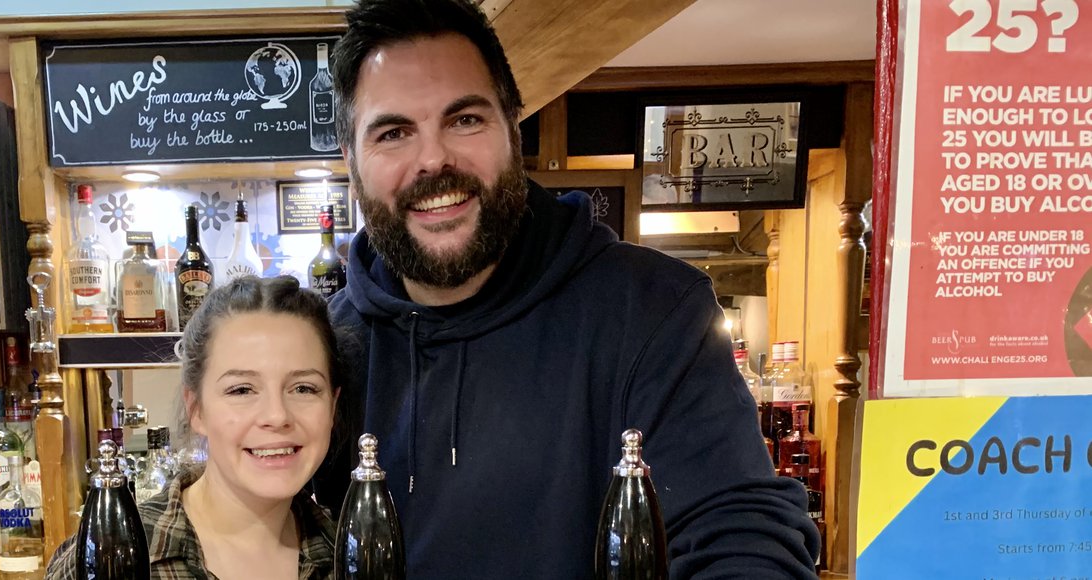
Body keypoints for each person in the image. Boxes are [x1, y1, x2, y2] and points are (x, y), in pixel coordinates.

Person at [313, 0, 822, 578]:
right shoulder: (325, 350)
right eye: (394, 132)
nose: (433, 159)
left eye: (465, 120)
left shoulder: (654, 310)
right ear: (351, 162)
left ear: (513, 127)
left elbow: (742, 534)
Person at [45, 276, 344, 579]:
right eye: (241, 390)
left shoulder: (348, 551)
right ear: (196, 409)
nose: (277, 415)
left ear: (332, 405)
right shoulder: (111, 558)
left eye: (304, 388)